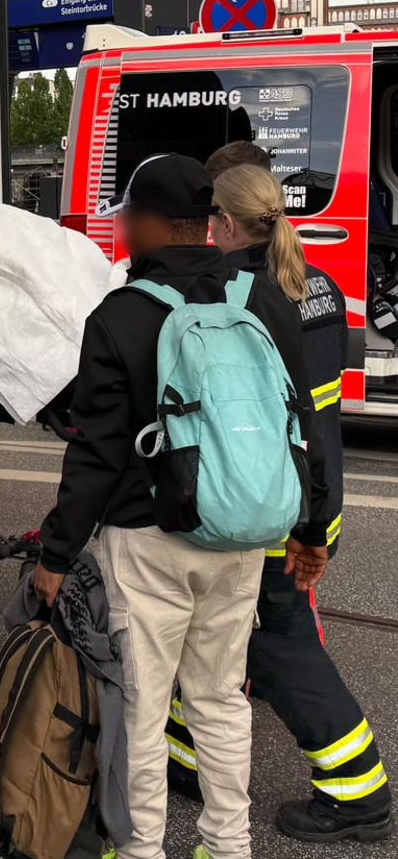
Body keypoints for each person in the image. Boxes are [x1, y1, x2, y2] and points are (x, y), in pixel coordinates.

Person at [31, 152, 330, 859]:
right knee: (221, 696)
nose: (122, 230)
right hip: (238, 535)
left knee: (141, 700)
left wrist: (55, 553)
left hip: (148, 539)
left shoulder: (120, 314)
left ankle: (141, 849)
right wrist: (310, 527)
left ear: (155, 225)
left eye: (127, 217)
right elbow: (300, 426)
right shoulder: (260, 300)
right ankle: (227, 845)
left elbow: (96, 454)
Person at [163, 144, 392, 843]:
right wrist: (318, 522)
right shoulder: (317, 283)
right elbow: (320, 416)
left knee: (276, 644)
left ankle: (359, 792)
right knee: (211, 633)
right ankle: (188, 756)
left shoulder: (227, 292)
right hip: (307, 496)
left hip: (257, 509)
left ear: (227, 223)